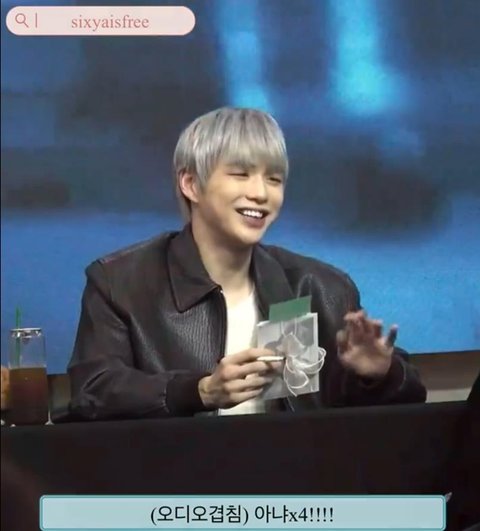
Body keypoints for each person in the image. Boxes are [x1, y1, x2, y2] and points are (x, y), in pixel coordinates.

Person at [68, 107, 426, 420]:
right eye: (241, 174)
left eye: (274, 179)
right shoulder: (120, 283)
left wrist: (379, 374)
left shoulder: (318, 286)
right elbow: (94, 392)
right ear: (191, 184)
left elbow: (387, 411)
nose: (260, 193)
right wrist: (199, 392)